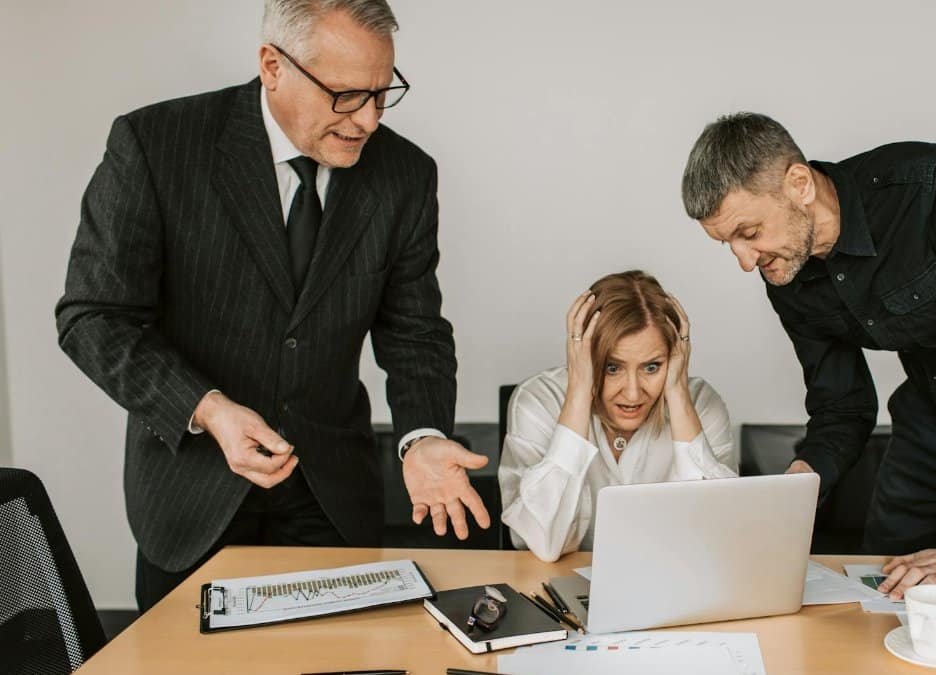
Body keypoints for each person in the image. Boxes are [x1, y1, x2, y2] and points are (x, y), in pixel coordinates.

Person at [55, 0, 489, 612]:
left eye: (381, 92)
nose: (365, 119)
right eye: (344, 95)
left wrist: (421, 436)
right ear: (272, 65)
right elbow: (93, 317)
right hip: (191, 496)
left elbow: (414, 332)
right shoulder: (156, 145)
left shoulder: (406, 175)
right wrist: (206, 409)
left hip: (331, 496)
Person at [680, 113, 936, 599]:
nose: (744, 260)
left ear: (798, 184)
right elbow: (842, 404)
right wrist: (800, 484)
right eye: (727, 243)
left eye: (748, 232)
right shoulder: (786, 270)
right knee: (884, 585)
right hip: (935, 405)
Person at [499, 271, 737, 562]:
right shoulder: (539, 400)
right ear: (585, 357)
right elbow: (544, 543)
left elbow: (717, 538)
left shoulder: (701, 404)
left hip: (670, 586)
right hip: (561, 590)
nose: (634, 394)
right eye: (613, 368)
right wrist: (579, 392)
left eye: (652, 367)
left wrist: (677, 392)